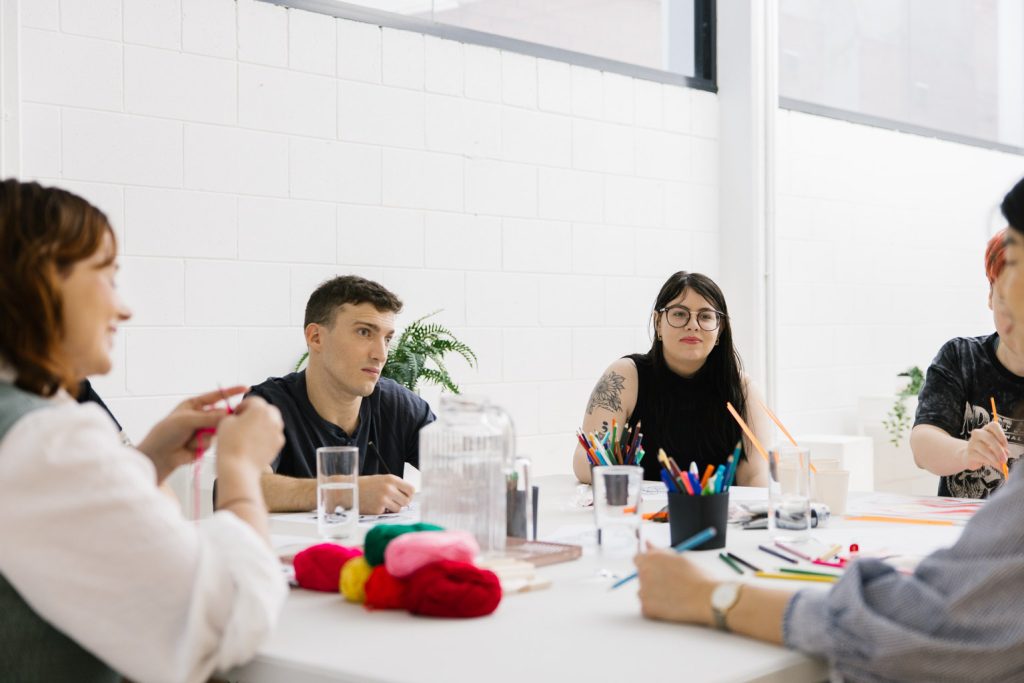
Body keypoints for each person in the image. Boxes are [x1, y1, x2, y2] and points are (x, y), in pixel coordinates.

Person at [633, 176, 1024, 682]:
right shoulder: (632, 374)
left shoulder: (739, 384)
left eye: (706, 316)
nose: (1006, 298)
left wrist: (715, 596)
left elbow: (922, 629)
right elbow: (924, 444)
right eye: (681, 314)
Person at [0, 180, 287, 682]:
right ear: (42, 278)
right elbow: (226, 620)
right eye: (108, 276)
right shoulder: (43, 439)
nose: (124, 307)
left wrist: (148, 460)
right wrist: (240, 469)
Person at [250, 275, 434, 514]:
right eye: (364, 332)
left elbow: (462, 475)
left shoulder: (399, 405)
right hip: (294, 551)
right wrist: (344, 493)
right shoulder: (268, 406)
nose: (381, 354)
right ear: (316, 337)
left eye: (387, 339)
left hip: (373, 551)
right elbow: (242, 487)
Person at [572, 271, 770, 486]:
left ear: (720, 329)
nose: (693, 324)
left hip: (713, 516)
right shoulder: (625, 376)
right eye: (679, 313)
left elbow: (756, 478)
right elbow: (585, 461)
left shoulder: (743, 389)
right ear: (658, 322)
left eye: (705, 316)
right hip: (636, 513)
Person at [911, 229, 1020, 498]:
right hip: (964, 534)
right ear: (990, 297)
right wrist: (967, 453)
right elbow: (922, 445)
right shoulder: (961, 358)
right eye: (1007, 300)